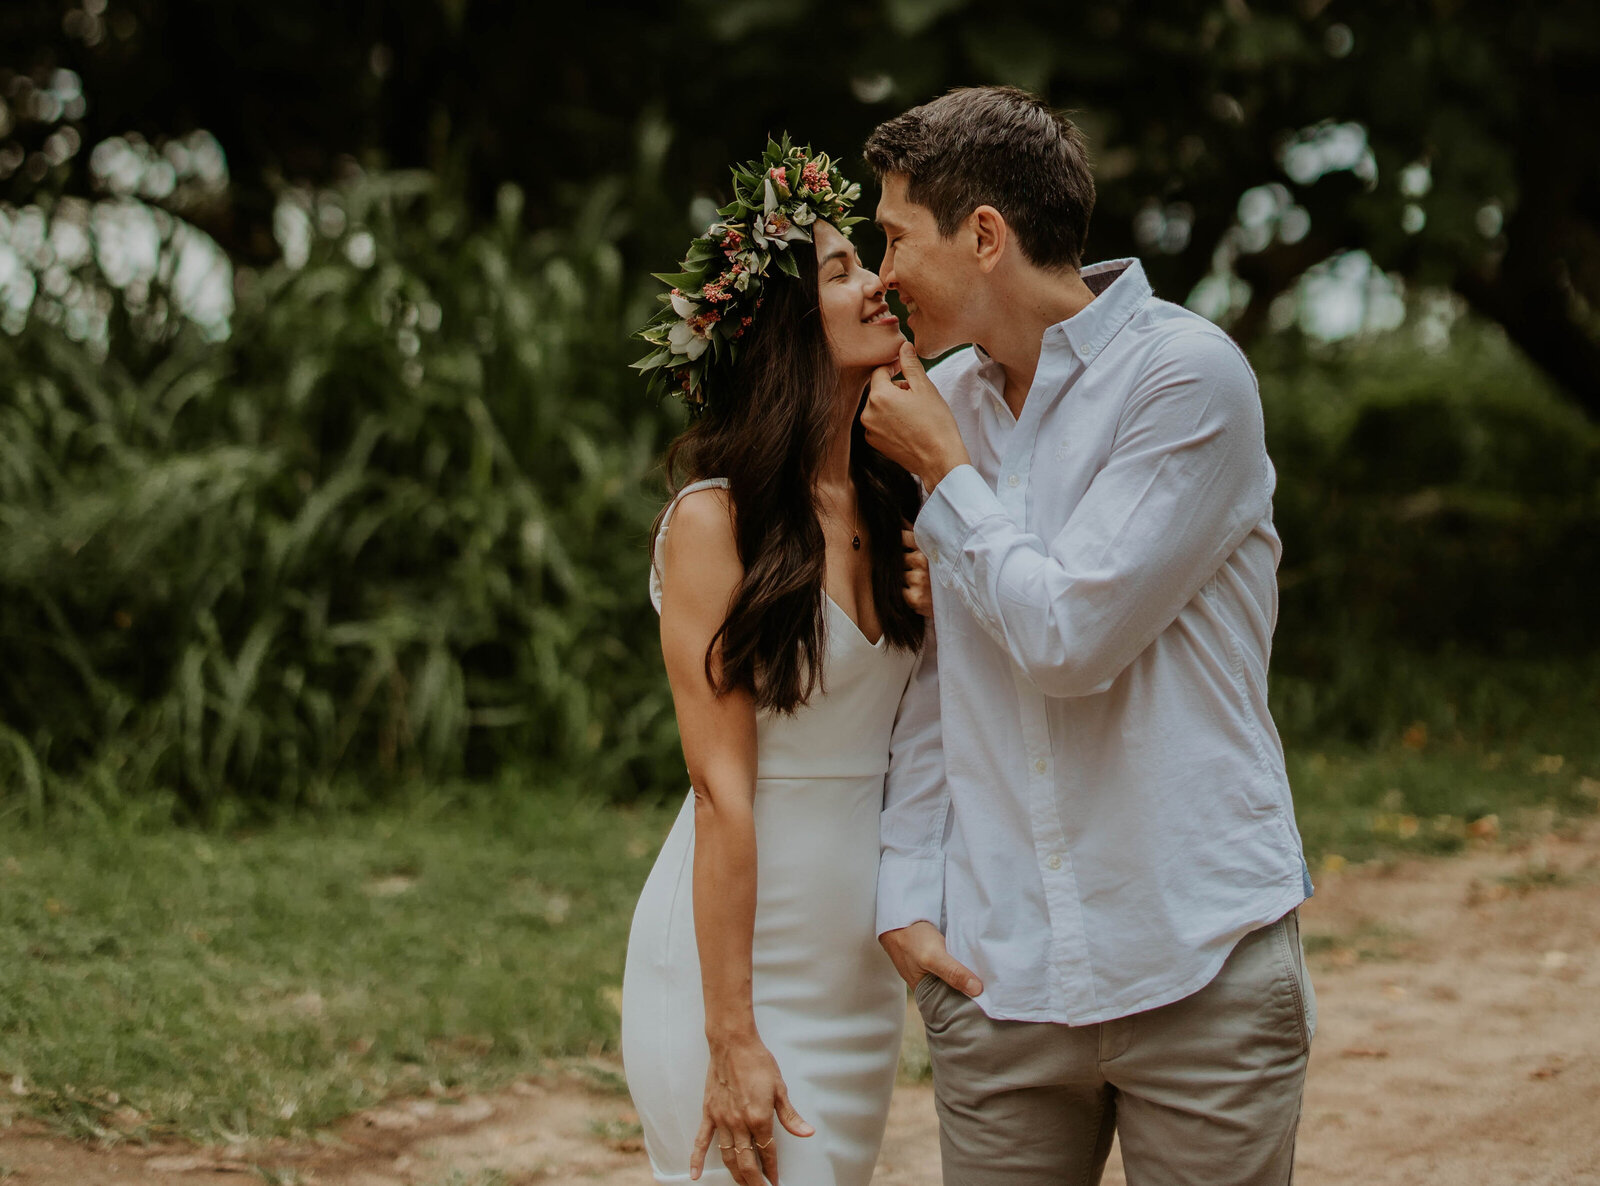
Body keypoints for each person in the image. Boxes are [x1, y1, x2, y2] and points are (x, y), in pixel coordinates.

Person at [859, 86, 1318, 1185]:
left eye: (892, 238)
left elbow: (1069, 639)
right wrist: (907, 896)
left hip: (1192, 960)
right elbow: (936, 678)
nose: (880, 276)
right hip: (996, 980)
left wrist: (948, 482)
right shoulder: (946, 406)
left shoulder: (1185, 377)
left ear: (983, 236)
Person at [621, 138, 928, 1186]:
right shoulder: (718, 525)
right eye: (843, 270)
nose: (879, 280)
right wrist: (731, 1032)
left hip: (855, 977)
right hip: (737, 972)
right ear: (787, 329)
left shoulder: (902, 512)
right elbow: (720, 793)